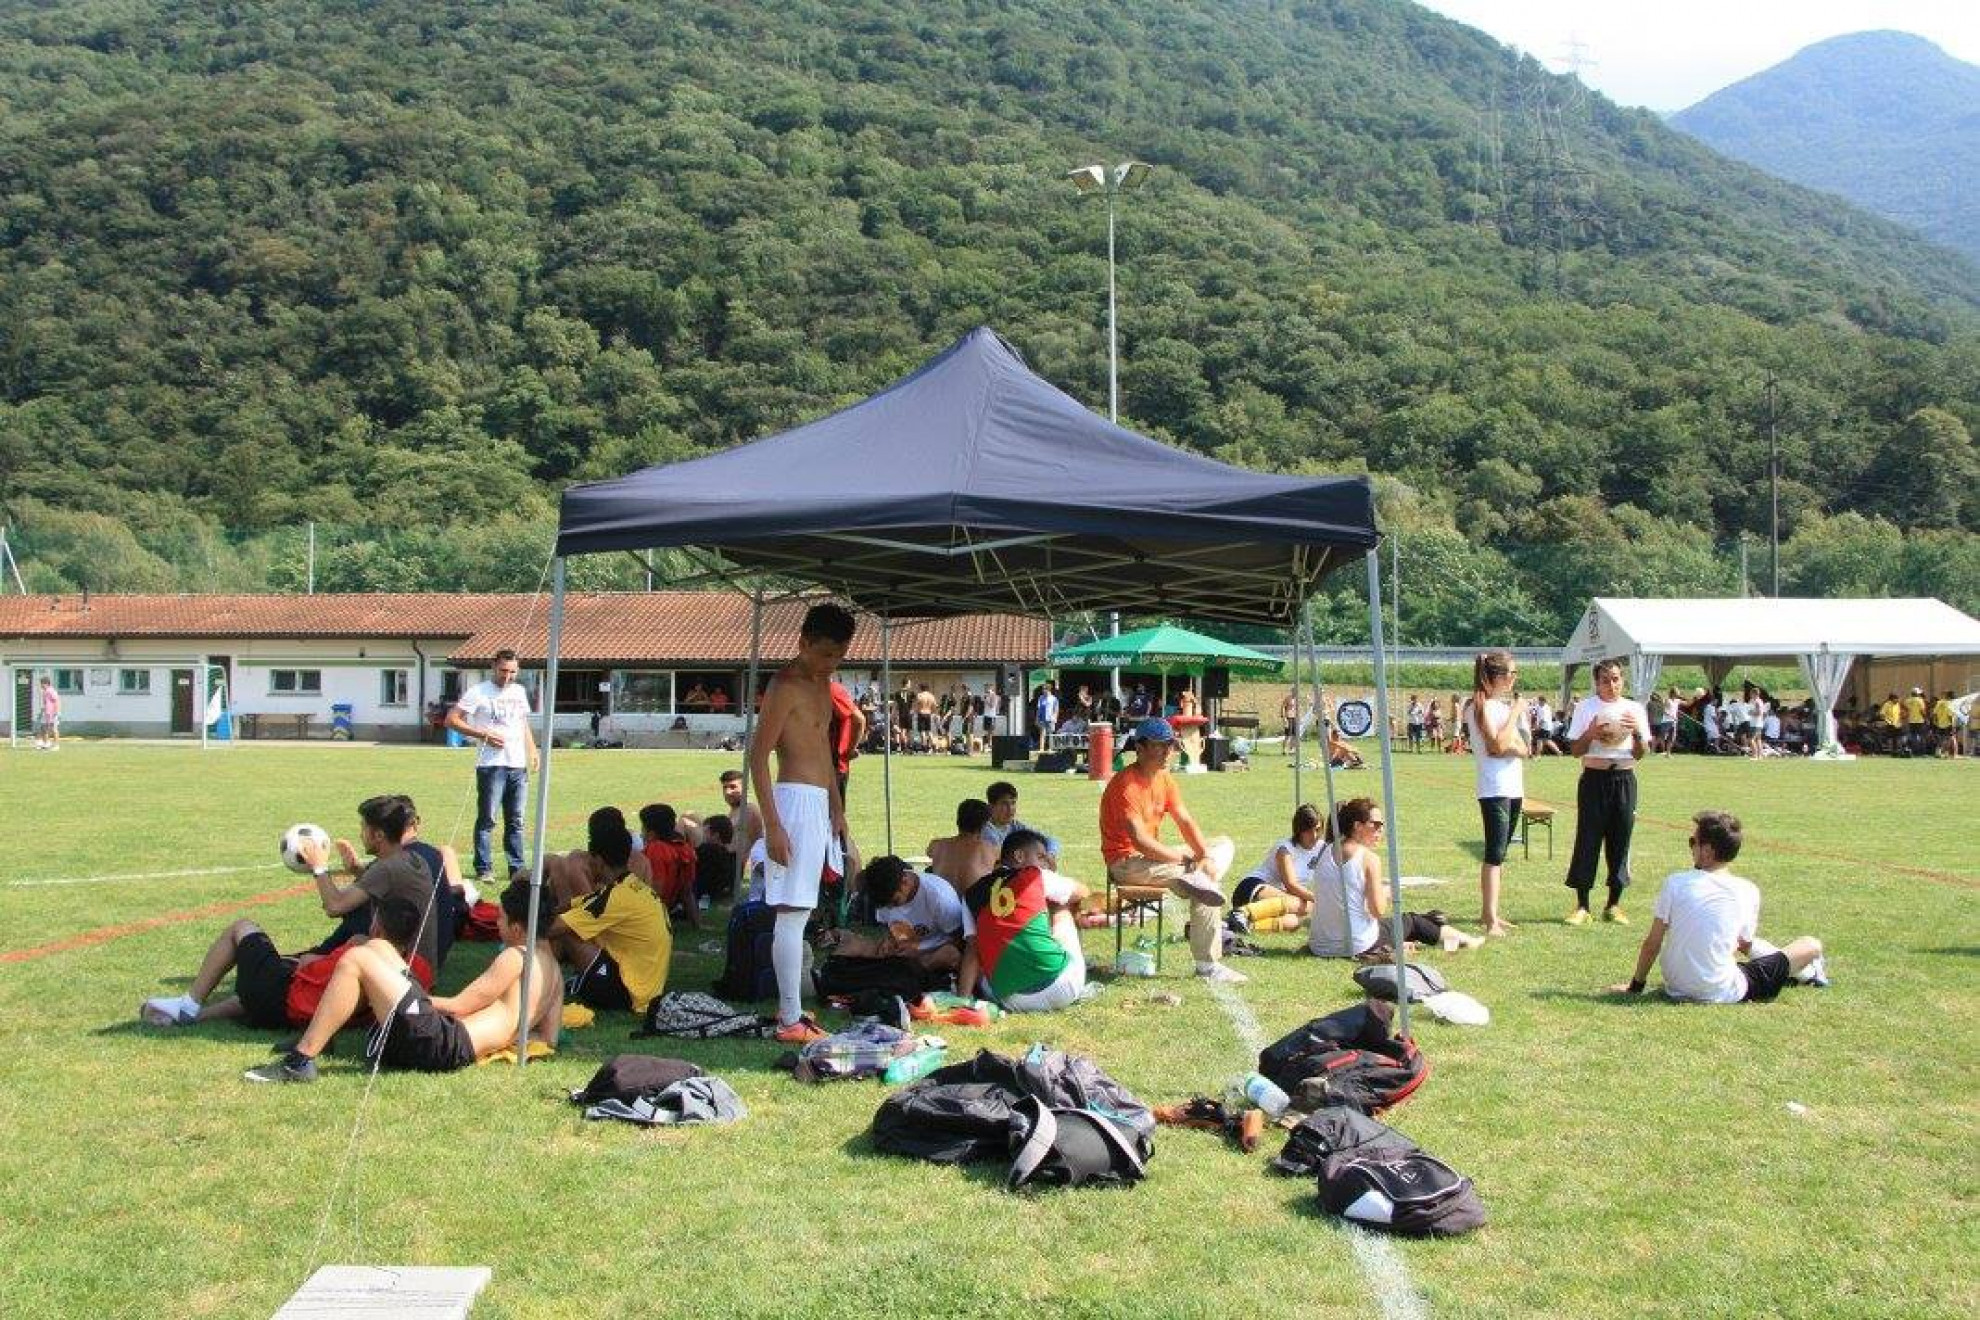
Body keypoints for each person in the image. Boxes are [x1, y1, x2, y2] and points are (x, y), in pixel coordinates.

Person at [245, 882, 562, 1083]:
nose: (496, 923)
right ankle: (320, 1036)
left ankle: (300, 1060)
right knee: (378, 947)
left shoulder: (515, 957)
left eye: (501, 918)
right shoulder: (553, 971)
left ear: (518, 929)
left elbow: (459, 1006)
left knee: (357, 958)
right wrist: (504, 1032)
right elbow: (548, 1037)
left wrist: (406, 996)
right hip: (448, 1040)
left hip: (443, 1044)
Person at [750, 602, 856, 1043]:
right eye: (826, 653)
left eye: (839, 656)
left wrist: (837, 807)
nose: (832, 663)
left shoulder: (823, 684)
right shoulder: (784, 685)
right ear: (803, 642)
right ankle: (790, 1019)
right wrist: (773, 825)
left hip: (817, 803)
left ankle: (792, 1011)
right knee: (792, 914)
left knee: (803, 909)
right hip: (791, 801)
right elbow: (758, 757)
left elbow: (825, 752)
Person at [1609, 810, 1827, 1003]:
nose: (1691, 847)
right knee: (1811, 944)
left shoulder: (1675, 883)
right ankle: (1806, 973)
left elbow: (1652, 943)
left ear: (1707, 851)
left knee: (1778, 956)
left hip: (1676, 987)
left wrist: (1635, 986)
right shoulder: (1748, 889)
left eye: (1693, 842)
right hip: (1722, 989)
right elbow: (1743, 943)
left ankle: (1804, 973)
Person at [1099, 717, 1242, 983]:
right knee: (1204, 884)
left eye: (1170, 745)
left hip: (1151, 858)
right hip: (1126, 863)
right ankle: (1208, 966)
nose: (1168, 751)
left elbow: (1184, 820)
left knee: (1223, 844)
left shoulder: (1164, 778)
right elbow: (1140, 842)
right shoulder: (1125, 786)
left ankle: (1199, 875)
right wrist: (1184, 858)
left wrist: (1204, 855)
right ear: (1140, 748)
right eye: (1160, 745)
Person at [140, 915, 434, 1029]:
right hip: (315, 1018)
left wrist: (309, 959)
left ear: (377, 928)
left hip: (285, 1005)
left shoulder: (357, 953)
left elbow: (308, 969)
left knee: (242, 928)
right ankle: (193, 1018)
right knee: (257, 985)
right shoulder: (420, 969)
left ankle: (189, 1002)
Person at [1309, 798, 1483, 958]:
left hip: (1320, 945)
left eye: (1382, 825)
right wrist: (1385, 893)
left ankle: (1436, 927)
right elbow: (1377, 911)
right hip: (1355, 945)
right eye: (1376, 824)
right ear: (1357, 826)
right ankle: (1466, 941)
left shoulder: (1326, 850)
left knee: (1406, 924)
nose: (1381, 830)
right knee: (1412, 922)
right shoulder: (1368, 859)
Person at [295, 795, 447, 974]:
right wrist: (357, 870)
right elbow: (386, 884)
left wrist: (319, 866)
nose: (361, 834)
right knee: (357, 940)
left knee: (305, 962)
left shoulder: (387, 867)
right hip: (423, 965)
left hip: (406, 971)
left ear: (379, 835)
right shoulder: (412, 859)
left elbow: (334, 907)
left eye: (364, 828)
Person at [547, 808, 673, 1015]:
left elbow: (551, 928)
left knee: (564, 932)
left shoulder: (615, 897)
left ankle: (535, 983)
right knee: (567, 926)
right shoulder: (632, 886)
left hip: (629, 994)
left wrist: (523, 921)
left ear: (598, 860)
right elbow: (577, 903)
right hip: (648, 987)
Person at [956, 830, 1092, 1012]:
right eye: (1041, 857)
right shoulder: (1035, 875)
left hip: (1013, 1001)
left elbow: (972, 951)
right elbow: (1082, 892)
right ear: (1019, 856)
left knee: (982, 951)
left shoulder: (970, 895)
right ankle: (1068, 965)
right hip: (1062, 988)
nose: (1045, 864)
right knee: (1061, 906)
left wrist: (962, 1000)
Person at [1563, 659, 1649, 926]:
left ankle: (1614, 904)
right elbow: (1575, 750)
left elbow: (1641, 753)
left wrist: (1636, 733)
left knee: (1621, 838)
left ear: (1622, 680)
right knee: (1588, 839)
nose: (1611, 685)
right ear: (1596, 683)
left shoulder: (1634, 709)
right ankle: (1582, 906)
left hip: (1624, 778)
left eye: (1615, 679)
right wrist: (1590, 734)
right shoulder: (1586, 708)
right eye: (1605, 680)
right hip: (1594, 779)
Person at [445, 648, 537, 885]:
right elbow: (451, 719)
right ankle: (484, 868)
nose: (507, 676)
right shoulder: (478, 692)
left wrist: (532, 750)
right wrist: (482, 734)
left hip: (517, 766)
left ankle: (517, 869)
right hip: (491, 766)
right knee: (487, 819)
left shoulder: (519, 691)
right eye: (503, 671)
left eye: (512, 672)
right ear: (494, 667)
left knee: (516, 820)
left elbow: (522, 723)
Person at [1466, 651, 1528, 937]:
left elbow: (1524, 748)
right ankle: (1490, 920)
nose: (1514, 678)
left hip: (1513, 786)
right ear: (1497, 677)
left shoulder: (1499, 708)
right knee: (1494, 853)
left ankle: (1490, 912)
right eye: (1511, 673)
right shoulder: (1481, 707)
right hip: (1495, 788)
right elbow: (1497, 746)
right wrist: (1515, 713)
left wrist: (1510, 744)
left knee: (1501, 855)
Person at [846, 856, 968, 977]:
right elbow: (888, 927)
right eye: (886, 905)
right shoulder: (883, 893)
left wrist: (920, 952)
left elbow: (959, 940)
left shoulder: (939, 897)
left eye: (895, 902)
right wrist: (890, 942)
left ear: (904, 882)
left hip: (934, 953)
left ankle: (914, 972)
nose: (890, 908)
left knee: (950, 954)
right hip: (905, 951)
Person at [1226, 804, 1321, 935]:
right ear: (1299, 830)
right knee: (1306, 905)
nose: (1314, 835)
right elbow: (1291, 885)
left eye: (1317, 829)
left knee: (1296, 921)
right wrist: (1319, 898)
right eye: (1308, 831)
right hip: (1251, 888)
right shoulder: (1285, 849)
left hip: (1277, 899)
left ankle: (1239, 925)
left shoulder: (1321, 847)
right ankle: (1243, 912)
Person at [639, 803, 700, 928]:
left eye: (643, 827)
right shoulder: (685, 848)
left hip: (653, 911)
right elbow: (687, 892)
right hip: (669, 906)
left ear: (651, 832)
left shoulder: (655, 849)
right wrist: (696, 924)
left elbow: (657, 890)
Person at [927, 799, 999, 892]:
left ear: (958, 821)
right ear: (984, 825)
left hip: (943, 899)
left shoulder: (936, 845)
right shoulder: (991, 850)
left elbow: (929, 853)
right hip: (972, 900)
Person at [981, 781, 1060, 863]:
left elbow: (1051, 840)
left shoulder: (1015, 825)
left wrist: (1050, 854)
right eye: (1004, 804)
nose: (1010, 808)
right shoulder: (986, 831)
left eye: (1013, 803)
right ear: (991, 807)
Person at [694, 813, 736, 905]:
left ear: (715, 835)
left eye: (705, 832)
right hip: (722, 894)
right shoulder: (732, 856)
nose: (703, 835)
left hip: (705, 895)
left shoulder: (707, 851)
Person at [33, 674, 59, 751]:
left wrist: (56, 712)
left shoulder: (51, 691)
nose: (41, 685)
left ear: (46, 683)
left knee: (53, 729)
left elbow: (56, 701)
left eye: (41, 683)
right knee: (43, 728)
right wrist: (42, 711)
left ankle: (56, 745)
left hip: (52, 713)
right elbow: (46, 703)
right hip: (46, 713)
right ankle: (46, 743)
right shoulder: (45, 692)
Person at [1931, 690, 1960, 758]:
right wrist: (1953, 725)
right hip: (1948, 724)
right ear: (1950, 697)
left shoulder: (1939, 702)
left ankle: (1937, 753)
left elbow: (1934, 713)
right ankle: (1946, 753)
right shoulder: (1950, 704)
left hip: (1940, 724)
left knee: (1940, 739)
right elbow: (1950, 715)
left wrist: (1936, 722)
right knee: (1948, 739)